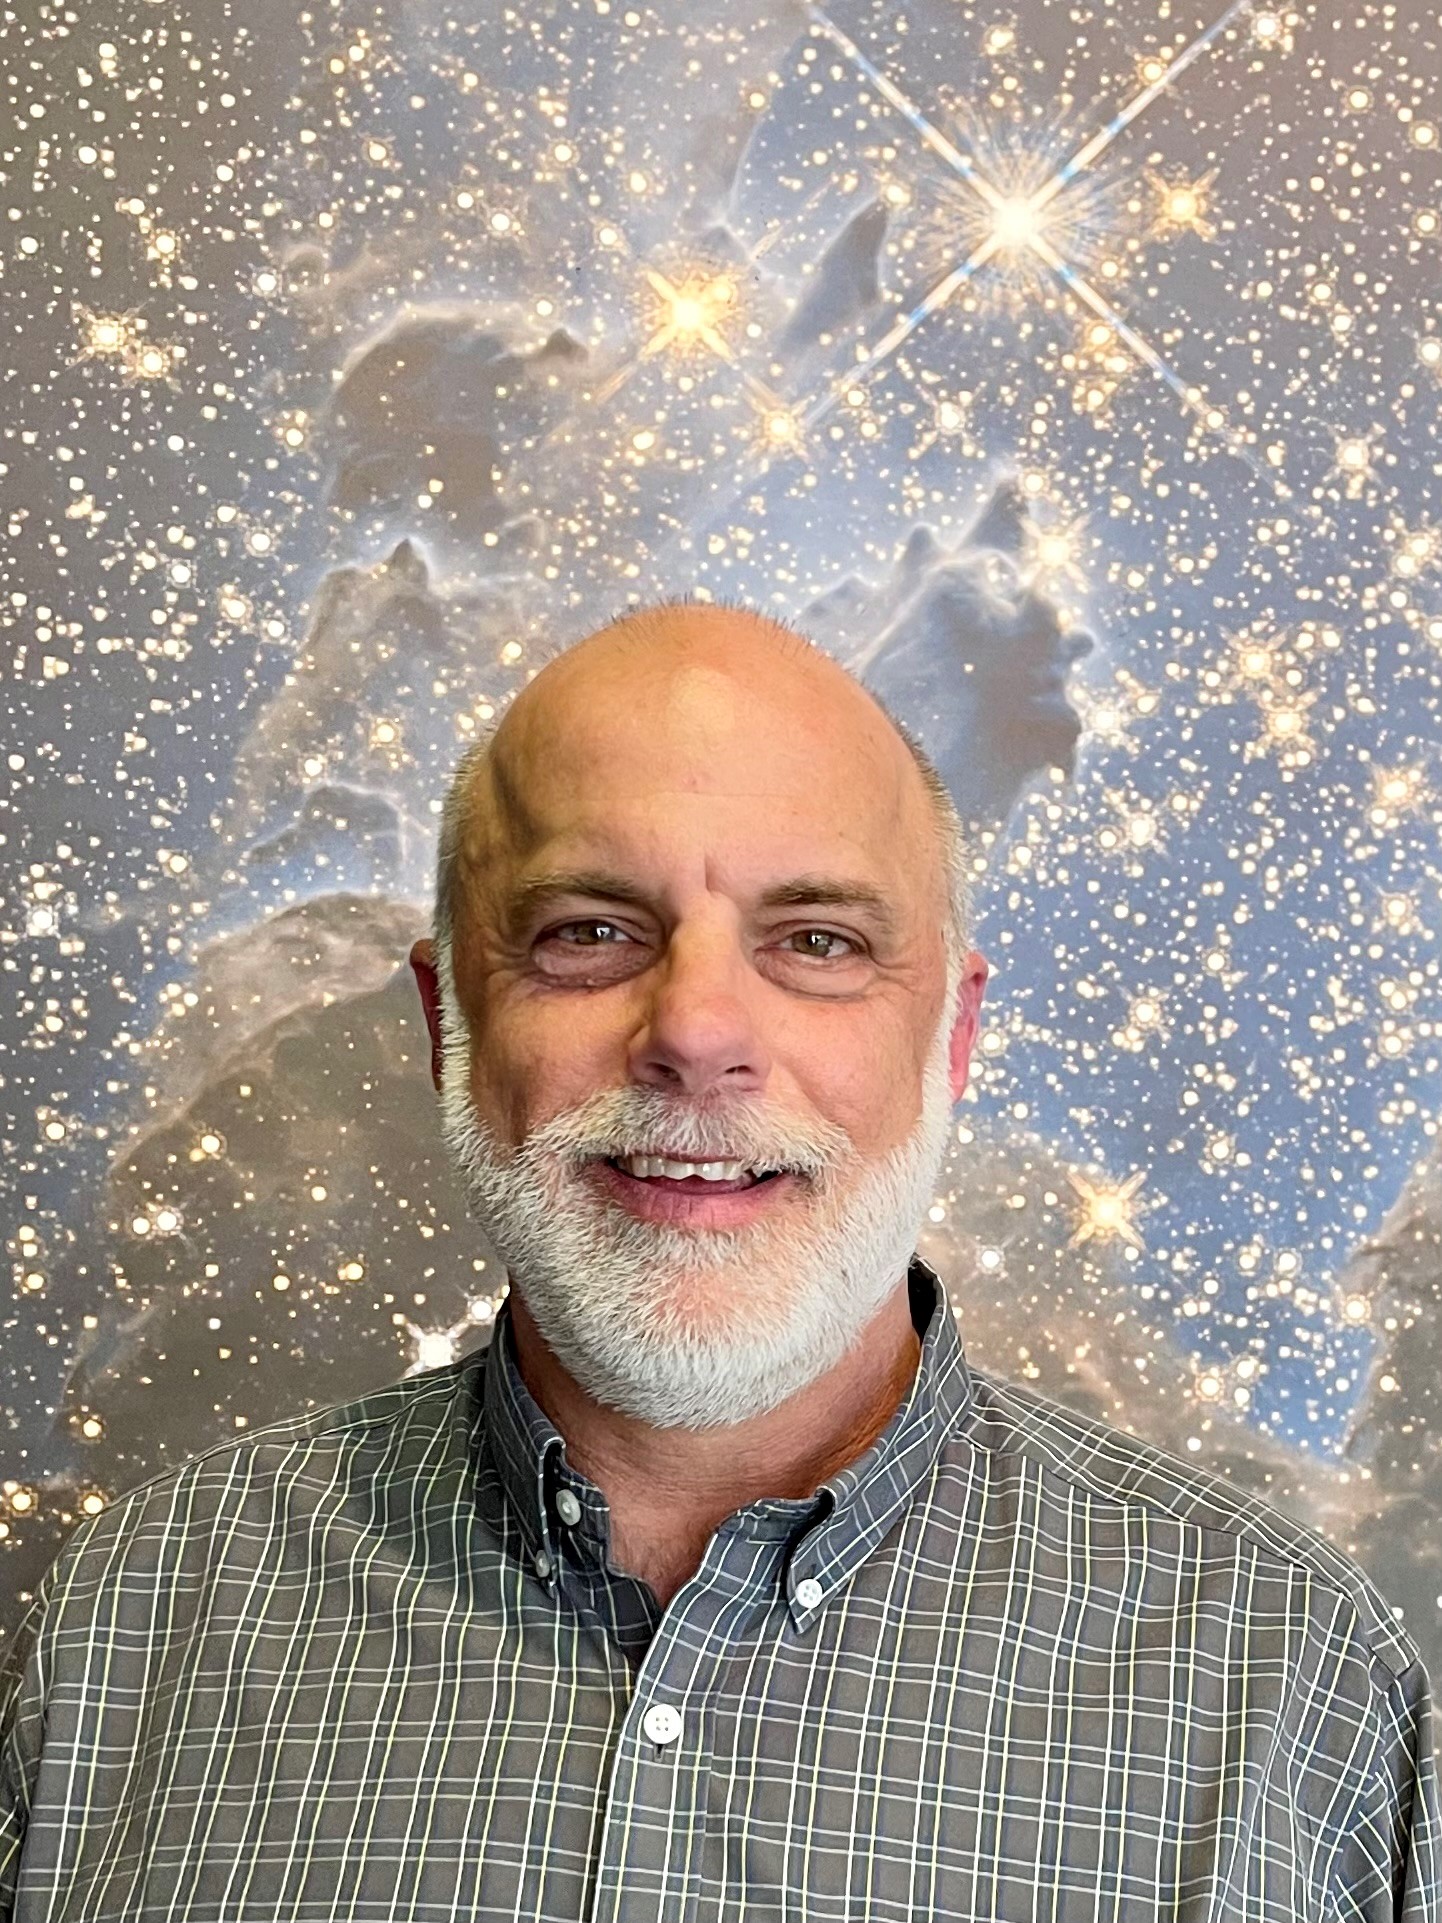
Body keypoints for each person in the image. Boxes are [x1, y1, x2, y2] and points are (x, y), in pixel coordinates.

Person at [0, 601, 1435, 1921]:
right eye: (587, 933)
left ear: (951, 1036)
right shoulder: (137, 1617)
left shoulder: (1294, 1684)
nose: (693, 1029)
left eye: (813, 940)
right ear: (448, 1027)